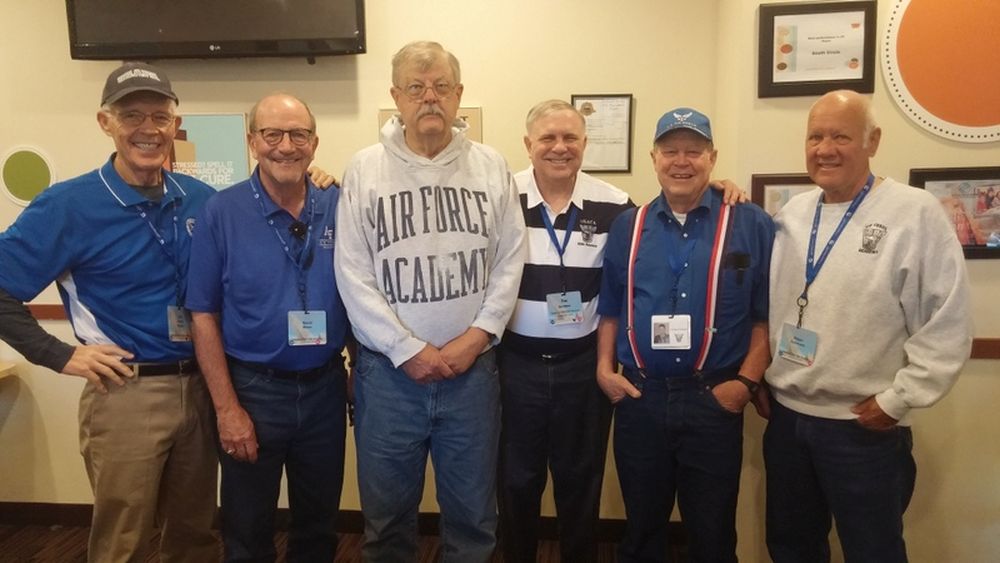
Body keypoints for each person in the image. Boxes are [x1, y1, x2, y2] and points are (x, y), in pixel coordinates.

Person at [0, 62, 219, 562]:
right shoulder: (67, 205)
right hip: (125, 392)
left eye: (160, 116)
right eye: (131, 115)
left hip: (200, 385)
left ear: (175, 124)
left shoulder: (200, 200)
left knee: (195, 536)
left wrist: (318, 181)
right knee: (124, 541)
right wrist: (58, 354)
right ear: (106, 122)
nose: (148, 129)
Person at [334, 40, 526, 562]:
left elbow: (510, 261)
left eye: (441, 86)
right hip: (388, 378)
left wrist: (477, 336)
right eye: (416, 88)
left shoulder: (491, 166)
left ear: (458, 94)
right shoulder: (365, 169)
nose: (429, 98)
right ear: (396, 96)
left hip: (472, 376)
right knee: (386, 523)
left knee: (474, 520)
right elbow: (352, 273)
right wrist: (406, 349)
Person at [763, 90, 973, 563]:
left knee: (873, 551)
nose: (825, 149)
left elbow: (948, 320)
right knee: (792, 548)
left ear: (872, 141)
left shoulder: (914, 212)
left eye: (840, 137)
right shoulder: (792, 214)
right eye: (815, 137)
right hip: (788, 421)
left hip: (862, 427)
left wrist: (898, 400)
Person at [596, 107, 774, 562]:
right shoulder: (628, 225)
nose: (681, 161)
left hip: (712, 399)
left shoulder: (750, 223)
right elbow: (611, 306)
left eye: (693, 151)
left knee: (713, 534)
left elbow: (766, 315)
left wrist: (745, 384)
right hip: (641, 398)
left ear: (712, 157)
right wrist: (604, 371)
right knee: (642, 532)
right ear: (653, 158)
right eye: (670, 151)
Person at [187, 93, 350, 562]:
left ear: (314, 142)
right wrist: (226, 409)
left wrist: (358, 372)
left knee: (319, 526)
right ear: (252, 141)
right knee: (247, 528)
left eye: (298, 134)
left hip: (324, 389)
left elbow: (361, 295)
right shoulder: (222, 211)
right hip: (254, 391)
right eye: (272, 134)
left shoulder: (339, 203)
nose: (286, 146)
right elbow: (203, 314)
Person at [497, 99, 632, 563]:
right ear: (527, 144)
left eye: (570, 137)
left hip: (583, 368)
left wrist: (716, 187)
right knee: (515, 481)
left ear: (584, 144)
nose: (560, 147)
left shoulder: (615, 205)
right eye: (548, 138)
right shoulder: (500, 197)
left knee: (581, 482)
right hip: (514, 367)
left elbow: (647, 248)